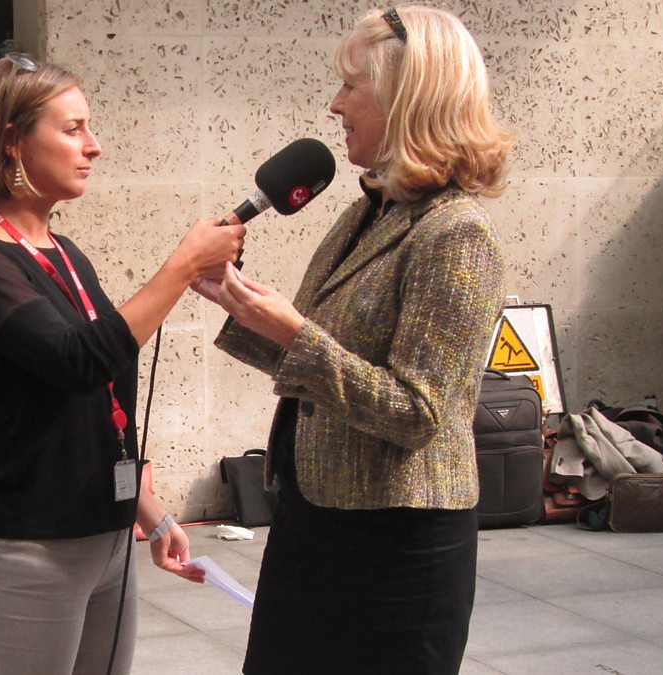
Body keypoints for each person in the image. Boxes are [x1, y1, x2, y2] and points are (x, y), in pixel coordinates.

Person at [195, 6, 514, 674]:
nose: (334, 104)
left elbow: (416, 412)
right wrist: (240, 306)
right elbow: (326, 356)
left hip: (395, 549)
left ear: (406, 99)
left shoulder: (456, 233)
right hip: (317, 518)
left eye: (351, 86)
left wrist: (292, 331)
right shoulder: (368, 210)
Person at [0, 53, 245, 674]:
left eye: (89, 127)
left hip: (104, 535)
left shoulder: (64, 252)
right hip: (22, 545)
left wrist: (147, 510)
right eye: (72, 129)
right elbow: (77, 361)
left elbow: (98, 398)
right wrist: (181, 266)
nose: (93, 146)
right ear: (11, 142)